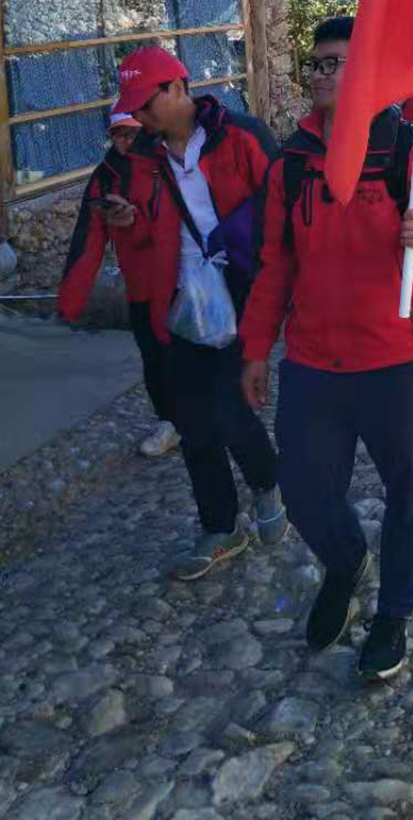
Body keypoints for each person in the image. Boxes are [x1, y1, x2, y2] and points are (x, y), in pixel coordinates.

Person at [240, 17, 413, 681]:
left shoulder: (409, 148)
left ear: (365, 71)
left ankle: (393, 613)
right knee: (305, 489)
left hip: (397, 358)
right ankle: (345, 564)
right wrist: (256, 350)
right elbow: (275, 262)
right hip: (314, 361)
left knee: (410, 494)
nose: (318, 73)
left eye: (333, 62)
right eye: (314, 63)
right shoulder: (293, 160)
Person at [113, 45, 286, 581]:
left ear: (177, 88)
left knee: (231, 411)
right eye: (134, 107)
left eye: (147, 103)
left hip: (239, 291)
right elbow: (147, 227)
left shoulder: (241, 135)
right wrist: (128, 220)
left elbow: (280, 208)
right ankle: (219, 527)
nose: (141, 116)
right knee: (190, 420)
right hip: (178, 299)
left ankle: (266, 483)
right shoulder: (141, 155)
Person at [58, 111, 179, 459]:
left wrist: (138, 219)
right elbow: (89, 238)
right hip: (138, 283)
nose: (125, 141)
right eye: (118, 134)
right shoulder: (104, 177)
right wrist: (71, 299)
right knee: (152, 356)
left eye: (131, 133)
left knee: (183, 351)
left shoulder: (167, 163)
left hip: (178, 278)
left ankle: (197, 415)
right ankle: (170, 421)